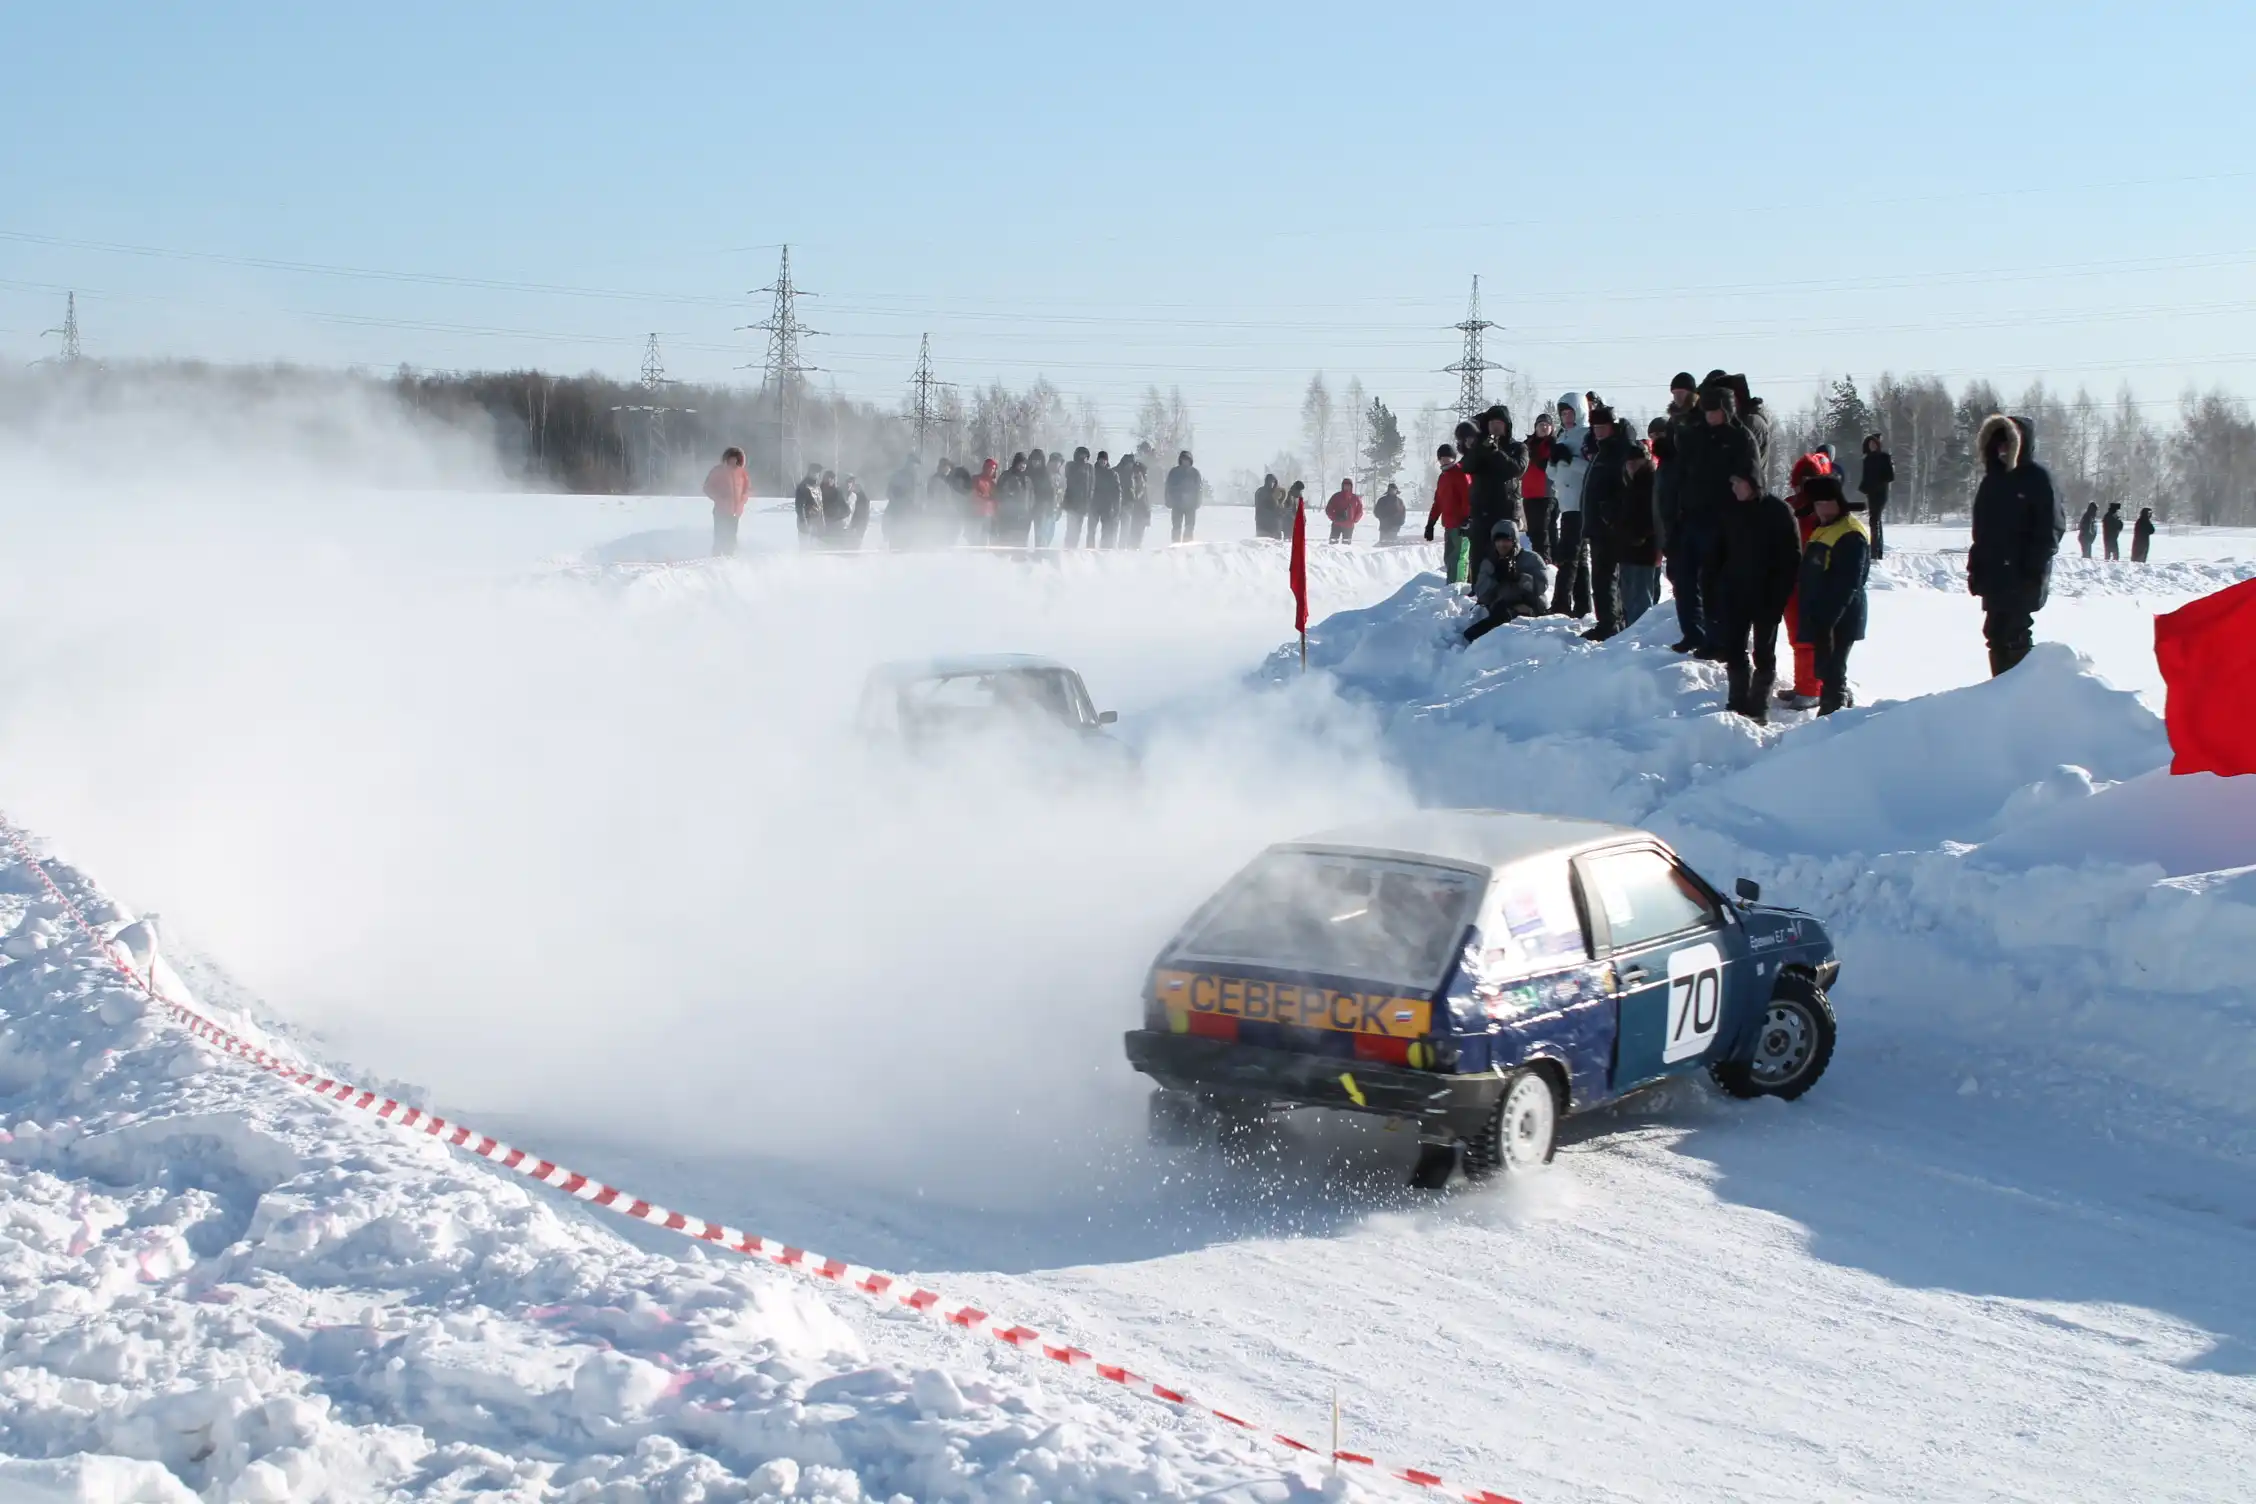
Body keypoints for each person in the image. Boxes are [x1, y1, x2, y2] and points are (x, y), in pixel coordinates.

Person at [1968, 414, 2065, 677]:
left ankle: (2022, 693)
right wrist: (1976, 568)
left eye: (2008, 442)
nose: (2002, 449)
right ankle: (2001, 689)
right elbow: (1982, 533)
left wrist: (2032, 569)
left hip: (2022, 575)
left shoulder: (2038, 479)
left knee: (2015, 633)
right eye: (1998, 442)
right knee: (1994, 632)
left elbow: (2051, 529)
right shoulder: (1992, 481)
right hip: (1994, 575)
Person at [1712, 465, 1803, 724]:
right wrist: (1719, 588)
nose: (1733, 488)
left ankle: (1759, 706)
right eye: (1732, 483)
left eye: (1737, 483)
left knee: (1763, 652)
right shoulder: (1730, 511)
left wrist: (1779, 597)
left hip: (1767, 595)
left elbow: (1792, 558)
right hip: (1736, 593)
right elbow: (1718, 554)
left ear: (1752, 483)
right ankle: (1737, 701)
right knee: (1734, 649)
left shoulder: (1778, 511)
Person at [1683, 382, 1763, 660]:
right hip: (1701, 518)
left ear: (1726, 410)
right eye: (1706, 411)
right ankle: (1713, 639)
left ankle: (1730, 641)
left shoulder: (1741, 438)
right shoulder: (1701, 436)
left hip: (1731, 521)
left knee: (1727, 585)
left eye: (1714, 411)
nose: (1709, 416)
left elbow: (1753, 478)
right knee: (1706, 582)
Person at [1794, 474, 1870, 715]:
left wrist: (1827, 619)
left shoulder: (1849, 533)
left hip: (1840, 615)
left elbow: (1848, 583)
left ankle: (1832, 715)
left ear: (1839, 501)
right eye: (1818, 503)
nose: (1823, 508)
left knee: (1833, 670)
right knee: (1825, 669)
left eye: (1828, 502)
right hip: (1821, 613)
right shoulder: (1824, 528)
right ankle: (1837, 705)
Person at [1774, 452, 1832, 711]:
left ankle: (1812, 689)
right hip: (1791, 579)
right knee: (1797, 636)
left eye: (1811, 479)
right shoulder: (1789, 506)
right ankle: (1804, 685)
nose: (1805, 485)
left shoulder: (1824, 509)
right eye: (1802, 479)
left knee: (1809, 638)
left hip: (1814, 581)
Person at [1659, 373, 1707, 651]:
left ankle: (1703, 631)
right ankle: (1690, 631)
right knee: (1681, 578)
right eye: (1674, 393)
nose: (1677, 398)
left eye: (1682, 393)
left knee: (1698, 578)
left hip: (1695, 507)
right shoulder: (1674, 422)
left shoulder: (1698, 420)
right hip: (1675, 508)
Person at [1577, 404, 1633, 638]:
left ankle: (1610, 622)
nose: (1598, 431)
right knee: (1602, 576)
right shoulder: (1602, 451)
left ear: (1613, 427)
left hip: (1610, 527)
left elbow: (1626, 488)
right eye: (1595, 427)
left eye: (1603, 426)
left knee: (1607, 576)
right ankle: (1608, 620)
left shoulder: (1619, 452)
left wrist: (1610, 513)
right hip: (1598, 525)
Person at [1462, 522, 1553, 645]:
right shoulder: (1490, 562)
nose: (1502, 545)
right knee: (1475, 633)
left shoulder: (1531, 558)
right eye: (1498, 541)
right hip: (1503, 609)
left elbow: (1542, 585)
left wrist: (1519, 578)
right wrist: (1494, 578)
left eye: (1506, 541)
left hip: (1530, 606)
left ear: (1514, 541)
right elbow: (1482, 595)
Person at [1459, 405, 1528, 555]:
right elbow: (1466, 467)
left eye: (1499, 423)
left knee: (1506, 557)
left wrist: (1495, 452)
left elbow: (1518, 469)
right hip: (1482, 513)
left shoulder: (1517, 447)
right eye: (1492, 423)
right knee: (1478, 557)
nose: (1495, 427)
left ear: (1507, 425)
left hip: (1506, 512)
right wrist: (1477, 448)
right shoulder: (1481, 447)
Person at [1547, 394, 1593, 617]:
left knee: (1568, 555)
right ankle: (1583, 605)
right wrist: (1553, 460)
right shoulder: (1562, 436)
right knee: (1579, 558)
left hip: (1580, 502)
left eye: (1569, 413)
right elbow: (1551, 474)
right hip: (1565, 504)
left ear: (1579, 411)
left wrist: (1569, 460)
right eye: (1563, 413)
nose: (1566, 417)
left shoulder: (1587, 435)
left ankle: (1561, 603)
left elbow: (1591, 470)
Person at [1617, 437, 1665, 626]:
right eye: (1629, 462)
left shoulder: (1652, 482)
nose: (1631, 465)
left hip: (1645, 549)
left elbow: (1656, 515)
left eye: (1636, 461)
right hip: (1628, 547)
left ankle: (1639, 633)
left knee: (1641, 599)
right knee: (1629, 596)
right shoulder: (1630, 483)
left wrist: (1642, 533)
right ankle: (1631, 630)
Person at [1425, 443, 1473, 584]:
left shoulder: (1461, 473)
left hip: (1462, 525)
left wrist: (1468, 519)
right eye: (1442, 458)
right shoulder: (1443, 477)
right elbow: (1438, 502)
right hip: (1449, 525)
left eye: (1448, 457)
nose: (1445, 460)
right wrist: (1431, 523)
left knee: (1459, 557)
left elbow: (1468, 497)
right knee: (1449, 558)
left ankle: (1458, 587)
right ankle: (1451, 584)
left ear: (1454, 458)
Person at [1522, 412, 1558, 562]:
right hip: (1529, 493)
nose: (1543, 427)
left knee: (1543, 531)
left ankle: (1546, 562)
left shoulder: (1554, 444)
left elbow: (1548, 465)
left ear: (1552, 428)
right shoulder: (1527, 444)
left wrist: (1536, 457)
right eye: (1540, 425)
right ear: (1535, 427)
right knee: (1533, 531)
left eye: (1546, 425)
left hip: (1546, 493)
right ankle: (1544, 560)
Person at [703, 446, 750, 557]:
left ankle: (729, 558)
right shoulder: (718, 471)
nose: (733, 461)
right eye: (731, 459)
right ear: (726, 459)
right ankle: (716, 558)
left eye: (735, 459)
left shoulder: (742, 473)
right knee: (720, 536)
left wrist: (742, 501)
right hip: (721, 511)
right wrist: (719, 498)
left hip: (735, 512)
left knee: (732, 538)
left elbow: (747, 490)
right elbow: (707, 488)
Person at [1857, 434, 1895, 561]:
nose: (1872, 446)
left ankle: (1875, 552)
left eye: (1874, 444)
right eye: (1870, 444)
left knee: (1874, 520)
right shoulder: (1867, 459)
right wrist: (1863, 488)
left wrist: (1877, 482)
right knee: (1875, 521)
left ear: (1878, 445)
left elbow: (1890, 476)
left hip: (1881, 493)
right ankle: (1877, 550)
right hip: (1871, 494)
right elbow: (1865, 477)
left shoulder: (1884, 457)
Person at [885, 454, 922, 549]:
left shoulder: (917, 478)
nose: (915, 468)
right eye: (914, 465)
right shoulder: (899, 475)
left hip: (911, 511)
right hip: (900, 510)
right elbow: (890, 492)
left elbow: (919, 495)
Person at [1120, 444, 1153, 548]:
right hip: (1131, 507)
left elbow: (1145, 499)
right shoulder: (1127, 478)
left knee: (1138, 530)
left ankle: (1135, 547)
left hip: (1139, 508)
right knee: (1131, 530)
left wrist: (1147, 513)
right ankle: (1130, 547)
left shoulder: (1141, 481)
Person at [1166, 450, 1203, 542]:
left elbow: (1198, 489)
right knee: (1176, 526)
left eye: (1187, 460)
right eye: (1183, 459)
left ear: (1190, 461)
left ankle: (1187, 544)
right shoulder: (1174, 472)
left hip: (1191, 505)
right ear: (1180, 460)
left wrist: (1198, 501)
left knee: (1189, 526)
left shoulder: (1195, 473)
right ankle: (1175, 543)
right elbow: (1168, 487)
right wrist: (1168, 500)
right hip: (1177, 504)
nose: (1185, 461)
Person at [995, 452, 1031, 545]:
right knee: (1006, 543)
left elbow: (1031, 496)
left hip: (1024, 518)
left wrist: (1030, 510)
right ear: (1016, 462)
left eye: (1025, 463)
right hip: (1008, 517)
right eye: (1021, 463)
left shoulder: (1027, 479)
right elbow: (1000, 493)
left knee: (1020, 544)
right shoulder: (1007, 476)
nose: (1023, 466)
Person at [1062, 446, 1094, 547]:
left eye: (1085, 455)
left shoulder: (1090, 468)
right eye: (1081, 455)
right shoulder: (1070, 465)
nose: (1083, 457)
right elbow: (1068, 477)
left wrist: (1089, 502)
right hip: (1071, 502)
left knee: (1078, 529)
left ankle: (1073, 548)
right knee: (1071, 528)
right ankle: (1068, 547)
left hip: (1083, 503)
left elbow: (1092, 485)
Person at [1090, 450, 1122, 548]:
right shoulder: (1092, 472)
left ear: (1107, 461)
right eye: (1101, 460)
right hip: (1094, 505)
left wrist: (1116, 507)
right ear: (1098, 460)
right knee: (1091, 530)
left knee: (1107, 531)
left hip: (1107, 506)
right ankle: (1089, 549)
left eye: (1104, 460)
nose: (1102, 462)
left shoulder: (1112, 474)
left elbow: (1117, 492)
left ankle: (1104, 549)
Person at [1028, 448, 1057, 547]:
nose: (1036, 462)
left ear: (1042, 461)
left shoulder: (1045, 474)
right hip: (1027, 506)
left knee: (1040, 533)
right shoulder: (1027, 472)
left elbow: (1051, 492)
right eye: (1034, 460)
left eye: (1038, 460)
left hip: (1041, 507)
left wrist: (1050, 508)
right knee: (1023, 531)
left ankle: (1039, 551)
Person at [793, 462, 824, 542]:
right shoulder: (803, 487)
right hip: (807, 522)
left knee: (815, 546)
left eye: (818, 472)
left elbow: (820, 505)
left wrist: (821, 522)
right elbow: (799, 507)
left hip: (816, 523)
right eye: (816, 472)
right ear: (810, 472)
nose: (817, 475)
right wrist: (804, 523)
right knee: (806, 546)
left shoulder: (817, 487)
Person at [1325, 477, 1364, 542]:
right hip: (1336, 524)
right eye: (1345, 485)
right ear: (1342, 486)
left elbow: (1360, 510)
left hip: (1349, 525)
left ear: (1351, 486)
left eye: (1348, 485)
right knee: (1333, 543)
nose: (1347, 487)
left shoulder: (1355, 498)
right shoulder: (1336, 496)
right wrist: (1334, 518)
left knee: (1346, 545)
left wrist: (1354, 520)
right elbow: (1328, 509)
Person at [1253, 473, 1287, 539]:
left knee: (1268, 542)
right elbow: (1267, 507)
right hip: (1267, 524)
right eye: (1272, 482)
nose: (1272, 484)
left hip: (1266, 523)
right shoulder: (1265, 492)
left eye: (1274, 483)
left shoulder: (1262, 491)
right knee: (1267, 542)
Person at [844, 474, 871, 547]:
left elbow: (863, 515)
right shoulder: (849, 495)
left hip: (856, 529)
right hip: (849, 529)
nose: (848, 485)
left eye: (851, 483)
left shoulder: (862, 498)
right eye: (848, 482)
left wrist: (856, 528)